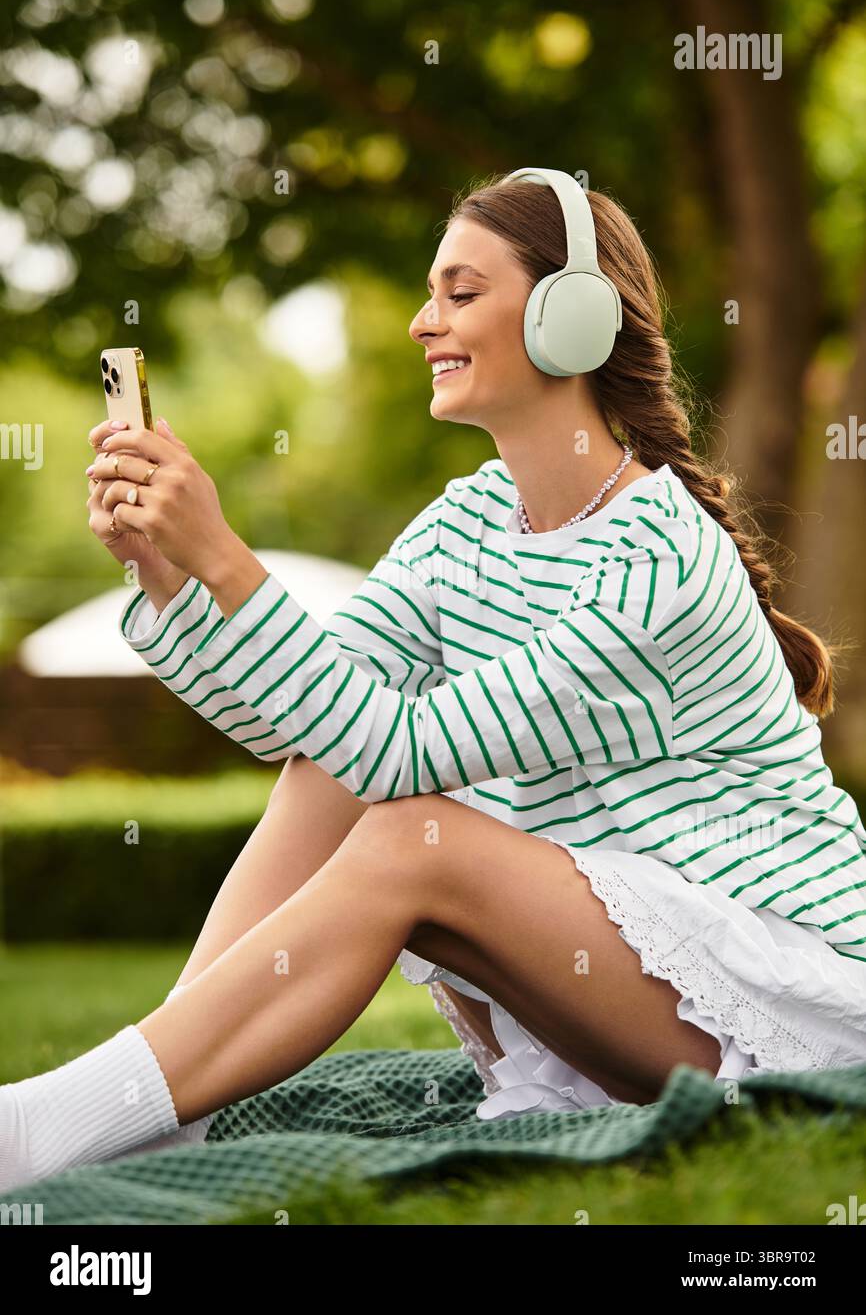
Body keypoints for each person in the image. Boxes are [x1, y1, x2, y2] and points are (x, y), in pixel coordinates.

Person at [3, 170, 866, 1193]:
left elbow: (398, 754)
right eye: (428, 293)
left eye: (460, 293)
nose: (422, 322)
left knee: (414, 830)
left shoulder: (654, 559)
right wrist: (172, 573)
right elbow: (313, 722)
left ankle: (48, 1122)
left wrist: (229, 556)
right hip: (609, 974)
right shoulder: (468, 520)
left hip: (766, 999)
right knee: (326, 775)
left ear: (571, 317)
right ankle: (169, 1099)